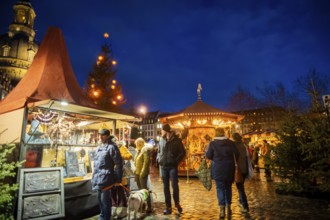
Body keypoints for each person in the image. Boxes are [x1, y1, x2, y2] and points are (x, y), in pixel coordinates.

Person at [205, 127, 239, 219]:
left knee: (219, 188)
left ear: (215, 134)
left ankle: (222, 210)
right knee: (228, 188)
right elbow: (237, 153)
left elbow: (208, 155)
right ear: (223, 133)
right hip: (229, 169)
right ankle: (229, 207)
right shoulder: (231, 143)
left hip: (218, 169)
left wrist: (216, 159)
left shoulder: (212, 144)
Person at [91, 129, 123, 220]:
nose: (100, 137)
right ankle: (102, 217)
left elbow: (119, 163)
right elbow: (96, 163)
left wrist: (118, 179)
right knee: (100, 201)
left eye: (103, 135)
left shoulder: (112, 147)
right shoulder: (98, 147)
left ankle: (105, 218)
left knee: (105, 201)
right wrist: (93, 176)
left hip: (106, 178)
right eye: (99, 135)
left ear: (108, 136)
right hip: (97, 178)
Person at [158, 124, 186, 215]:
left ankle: (177, 203)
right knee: (165, 187)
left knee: (174, 186)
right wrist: (158, 159)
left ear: (166, 131)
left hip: (172, 167)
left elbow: (182, 152)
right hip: (163, 166)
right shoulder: (161, 140)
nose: (161, 132)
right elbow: (159, 151)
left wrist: (176, 161)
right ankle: (168, 207)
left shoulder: (177, 140)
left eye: (162, 130)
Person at [111, 140, 133, 218]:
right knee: (112, 191)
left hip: (122, 173)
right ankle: (113, 210)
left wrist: (119, 155)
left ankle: (124, 210)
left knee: (121, 191)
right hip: (112, 173)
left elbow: (129, 156)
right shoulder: (109, 147)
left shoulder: (121, 147)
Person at [134, 137, 154, 213]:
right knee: (140, 191)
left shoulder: (144, 151)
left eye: (136, 144)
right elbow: (136, 162)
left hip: (142, 174)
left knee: (144, 190)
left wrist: (142, 173)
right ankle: (142, 204)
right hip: (137, 173)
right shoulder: (138, 151)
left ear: (139, 144)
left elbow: (146, 163)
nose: (135, 145)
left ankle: (149, 206)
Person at [232, 133, 250, 212]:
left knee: (240, 188)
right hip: (245, 169)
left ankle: (245, 205)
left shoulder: (233, 146)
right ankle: (240, 200)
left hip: (238, 169)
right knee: (241, 186)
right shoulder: (244, 146)